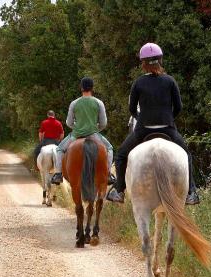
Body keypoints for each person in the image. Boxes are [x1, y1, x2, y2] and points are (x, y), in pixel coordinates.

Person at [105, 42, 200, 205]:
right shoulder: (170, 81)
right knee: (186, 155)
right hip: (168, 129)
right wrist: (168, 119)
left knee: (121, 156)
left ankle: (119, 190)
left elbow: (132, 108)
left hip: (143, 130)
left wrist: (141, 118)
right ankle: (191, 192)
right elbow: (178, 107)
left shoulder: (138, 82)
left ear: (143, 64)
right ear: (160, 60)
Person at [51, 77, 114, 185]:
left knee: (60, 149)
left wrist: (78, 127)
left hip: (76, 135)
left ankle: (58, 174)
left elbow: (69, 122)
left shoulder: (74, 103)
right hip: (93, 135)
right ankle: (108, 174)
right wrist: (94, 128)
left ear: (81, 88)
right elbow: (103, 123)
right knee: (109, 149)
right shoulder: (99, 103)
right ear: (92, 88)